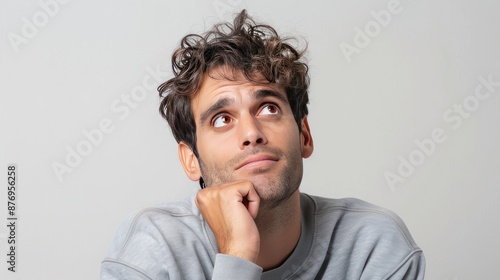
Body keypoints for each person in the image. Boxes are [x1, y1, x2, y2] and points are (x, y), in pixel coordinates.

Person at [101, 10, 425, 279]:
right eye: (222, 119)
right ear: (191, 160)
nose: (251, 132)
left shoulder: (373, 246)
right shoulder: (153, 248)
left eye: (268, 108)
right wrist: (237, 258)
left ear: (304, 136)